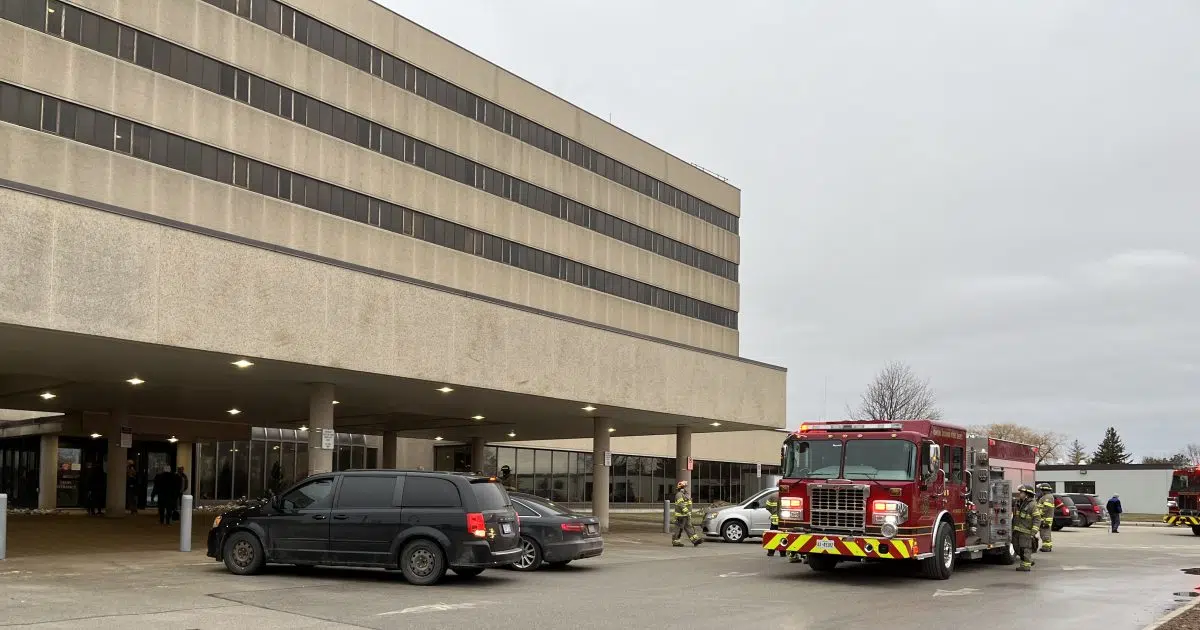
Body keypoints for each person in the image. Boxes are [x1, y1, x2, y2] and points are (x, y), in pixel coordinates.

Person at [1012, 484, 1040, 572]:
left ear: (1027, 494)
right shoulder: (1019, 503)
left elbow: (1037, 519)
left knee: (1025, 548)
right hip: (1016, 531)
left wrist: (1033, 532)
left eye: (1021, 492)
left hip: (1026, 532)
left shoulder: (1032, 505)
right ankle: (1029, 561)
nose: (1020, 494)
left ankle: (1026, 566)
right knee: (1017, 548)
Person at [670, 480, 703, 547]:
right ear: (681, 488)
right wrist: (686, 511)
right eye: (684, 487)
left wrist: (688, 513)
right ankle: (676, 542)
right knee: (679, 529)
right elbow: (681, 504)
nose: (685, 488)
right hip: (681, 516)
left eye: (685, 487)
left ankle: (695, 540)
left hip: (686, 515)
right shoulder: (679, 494)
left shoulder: (685, 494)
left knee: (689, 527)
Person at [1036, 483, 1055, 552]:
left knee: (1045, 533)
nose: (1040, 491)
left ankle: (1046, 547)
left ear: (1044, 490)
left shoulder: (1047, 497)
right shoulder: (1046, 497)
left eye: (1041, 490)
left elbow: (1046, 508)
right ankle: (1048, 546)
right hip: (1045, 518)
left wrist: (1038, 514)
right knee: (1045, 533)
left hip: (1045, 519)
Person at [765, 492, 780, 557]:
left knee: (772, 537)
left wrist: (773, 512)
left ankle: (771, 552)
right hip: (784, 521)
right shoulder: (788, 495)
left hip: (774, 520)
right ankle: (783, 553)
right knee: (783, 536)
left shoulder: (773, 495)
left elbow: (767, 507)